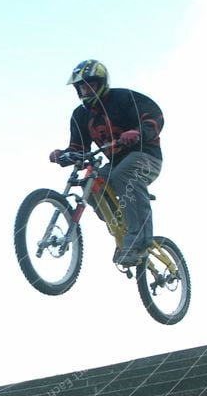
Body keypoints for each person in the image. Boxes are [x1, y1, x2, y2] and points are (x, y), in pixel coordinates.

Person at [49, 59, 164, 267]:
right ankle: (123, 227)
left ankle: (139, 239)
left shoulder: (123, 98)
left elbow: (155, 117)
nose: (85, 90)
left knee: (124, 174)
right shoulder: (80, 116)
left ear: (101, 83)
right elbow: (79, 149)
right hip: (116, 163)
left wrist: (137, 132)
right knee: (90, 184)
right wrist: (64, 155)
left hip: (146, 155)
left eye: (89, 85)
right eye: (81, 87)